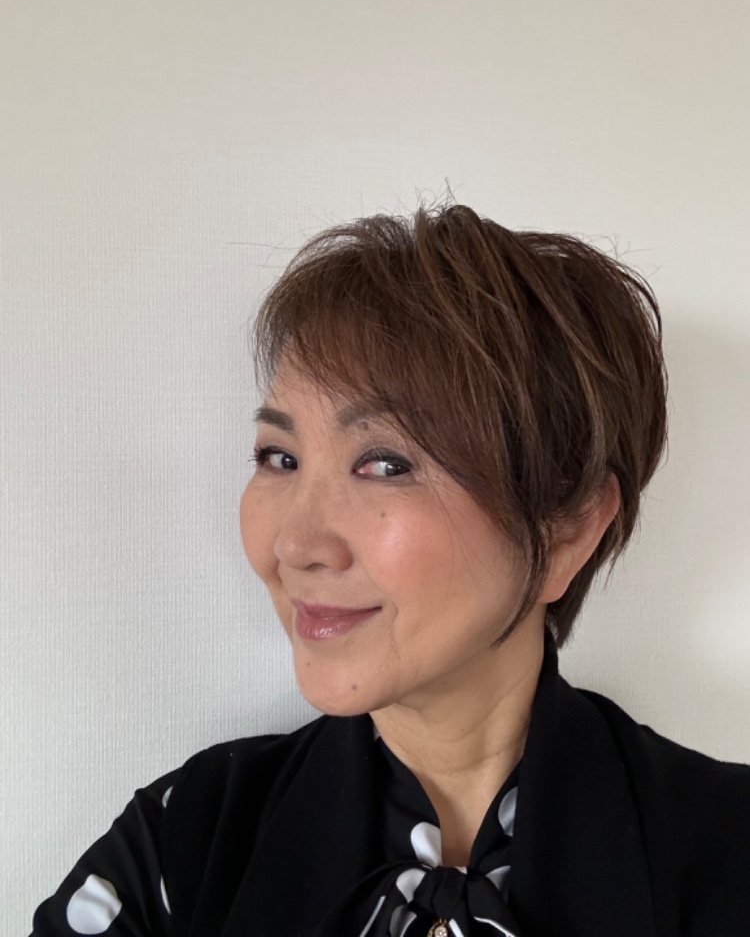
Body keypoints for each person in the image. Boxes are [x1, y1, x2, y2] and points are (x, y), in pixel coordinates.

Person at [31, 203, 750, 937]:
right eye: (280, 457)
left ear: (568, 529)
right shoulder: (188, 842)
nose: (296, 545)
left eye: (385, 464)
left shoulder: (728, 852)